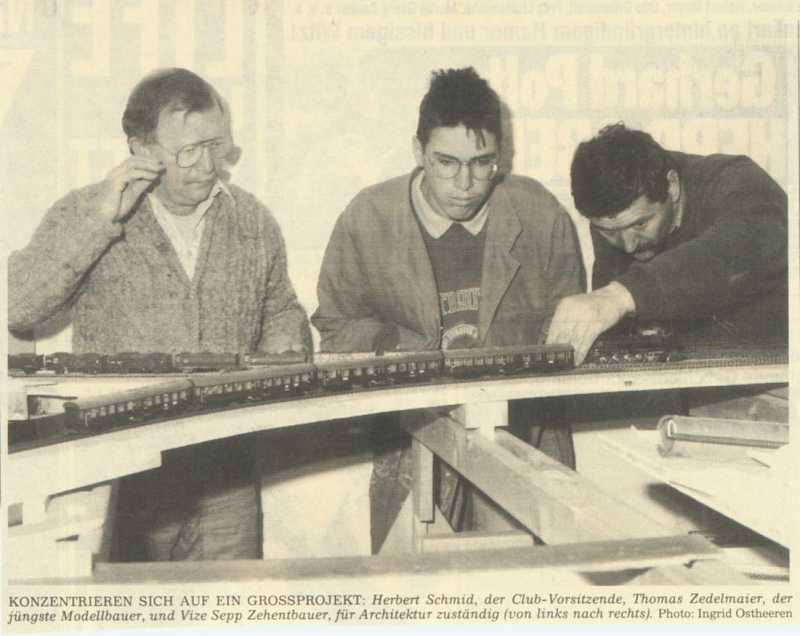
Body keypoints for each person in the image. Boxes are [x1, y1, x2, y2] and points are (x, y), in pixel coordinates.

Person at [8, 68, 311, 560]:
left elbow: (279, 306)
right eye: (188, 151)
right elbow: (18, 307)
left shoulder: (253, 220)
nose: (208, 165)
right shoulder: (86, 212)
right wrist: (101, 219)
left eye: (216, 145)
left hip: (227, 474)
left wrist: (285, 340)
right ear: (141, 150)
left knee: (232, 602)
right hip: (125, 476)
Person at [312, 67, 584, 551]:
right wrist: (403, 346)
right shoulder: (368, 218)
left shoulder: (539, 214)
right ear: (418, 151)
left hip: (525, 438)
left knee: (530, 583)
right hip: (410, 440)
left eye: (482, 164)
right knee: (415, 586)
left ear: (501, 156)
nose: (465, 184)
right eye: (446, 163)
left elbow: (569, 333)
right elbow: (335, 329)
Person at [546, 123, 788, 364]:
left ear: (672, 186)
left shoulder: (734, 179)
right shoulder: (614, 217)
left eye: (641, 224)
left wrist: (623, 294)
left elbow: (745, 243)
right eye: (609, 232)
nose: (628, 246)